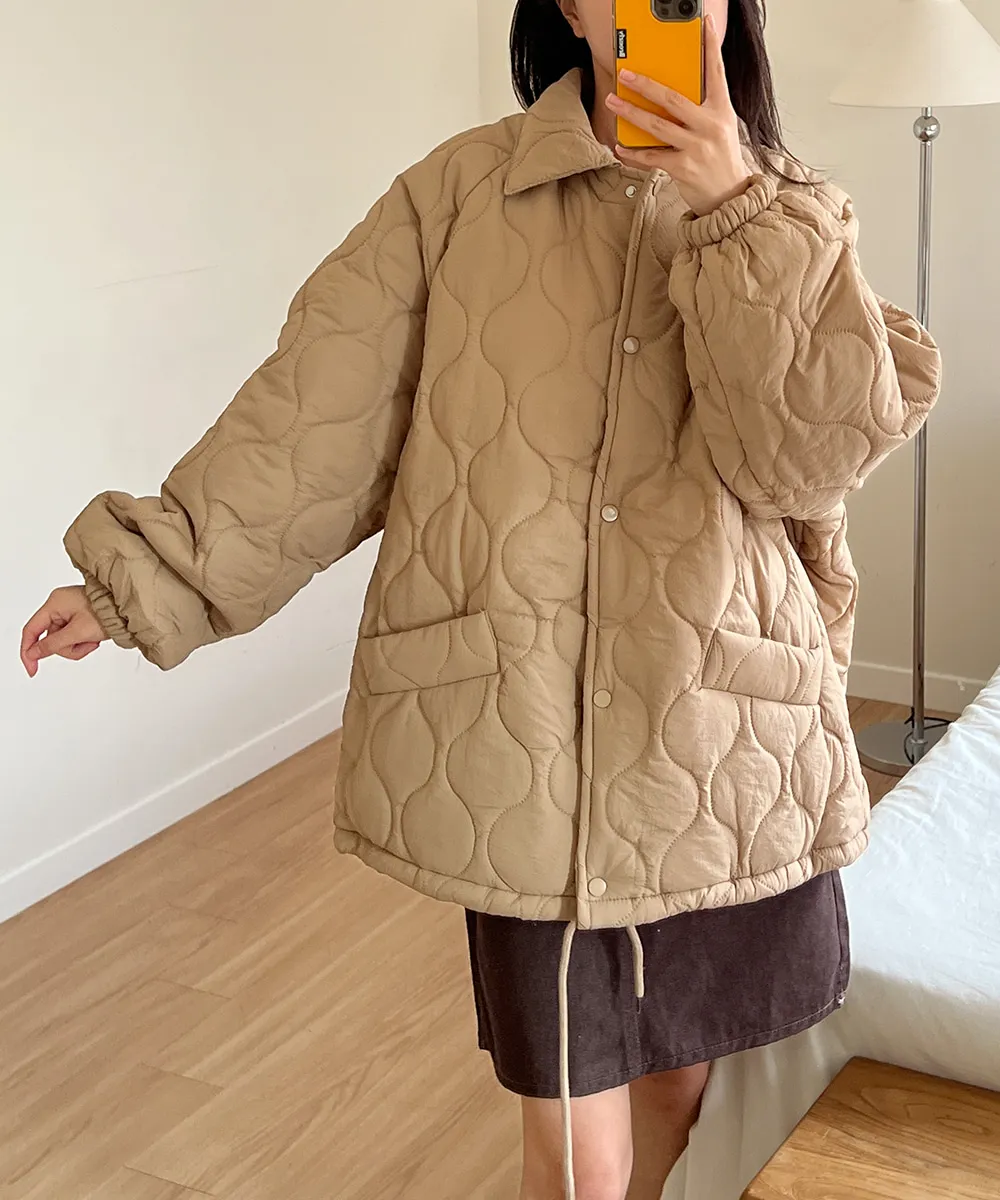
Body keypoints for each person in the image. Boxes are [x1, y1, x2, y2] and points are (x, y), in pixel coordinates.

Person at [21, 1, 941, 1197]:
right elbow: (318, 416)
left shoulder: (797, 212)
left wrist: (736, 213)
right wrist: (150, 577)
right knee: (571, 1128)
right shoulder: (456, 196)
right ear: (569, 6)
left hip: (720, 727)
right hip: (527, 738)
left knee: (685, 1090)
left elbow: (806, 465)